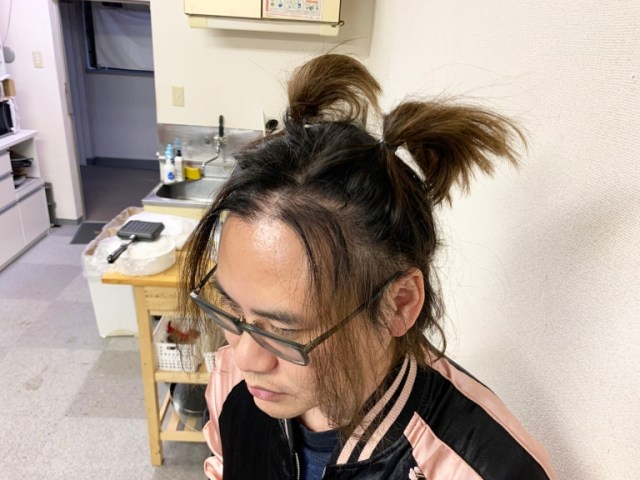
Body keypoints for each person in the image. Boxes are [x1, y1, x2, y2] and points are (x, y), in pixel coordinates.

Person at [178, 54, 556, 479]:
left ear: (399, 304)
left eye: (283, 331)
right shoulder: (233, 381)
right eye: (232, 309)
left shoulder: (481, 468)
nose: (244, 356)